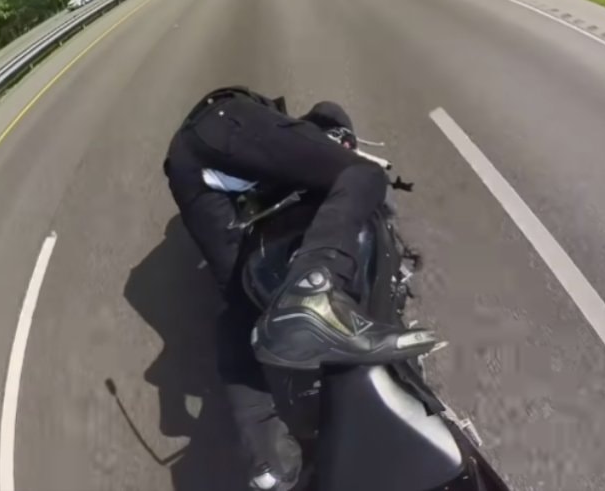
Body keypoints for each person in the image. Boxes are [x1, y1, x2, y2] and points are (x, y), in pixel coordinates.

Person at [162, 85, 438, 490]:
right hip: (221, 122)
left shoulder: (256, 156)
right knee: (364, 176)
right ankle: (316, 287)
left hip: (186, 169)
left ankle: (267, 459)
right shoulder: (292, 128)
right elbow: (328, 165)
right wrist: (348, 154)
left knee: (242, 302)